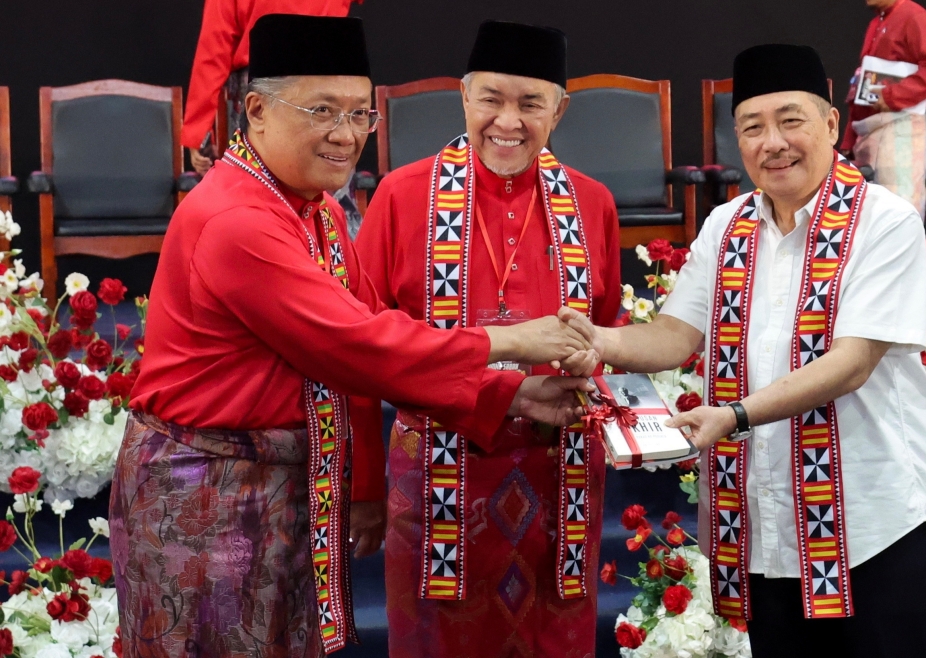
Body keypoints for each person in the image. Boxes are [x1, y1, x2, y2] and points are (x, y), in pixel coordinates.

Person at [109, 15, 598, 657]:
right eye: (322, 111)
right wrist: (513, 342)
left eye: (360, 114)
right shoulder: (235, 218)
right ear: (256, 111)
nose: (345, 135)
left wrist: (513, 397)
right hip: (210, 494)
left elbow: (378, 350)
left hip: (285, 483)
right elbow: (360, 345)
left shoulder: (315, 210)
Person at [566, 44, 926, 658]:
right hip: (769, 531)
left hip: (875, 526)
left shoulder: (885, 222)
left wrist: (735, 415)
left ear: (831, 124)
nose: (773, 143)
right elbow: (674, 336)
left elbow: (851, 363)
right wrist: (597, 341)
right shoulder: (726, 226)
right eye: (752, 127)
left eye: (790, 120)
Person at [354, 20, 621, 658]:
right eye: (491, 100)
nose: (508, 121)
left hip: (560, 483)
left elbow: (605, 336)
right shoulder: (401, 196)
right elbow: (360, 355)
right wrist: (362, 489)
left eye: (530, 103)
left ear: (559, 109)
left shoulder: (593, 204)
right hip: (437, 482)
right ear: (464, 98)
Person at [181, 0, 366, 235]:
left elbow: (214, 47)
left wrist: (198, 130)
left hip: (265, 84)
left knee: (254, 195)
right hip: (331, 76)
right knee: (333, 195)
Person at [840, 0, 926, 218]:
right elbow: (862, 83)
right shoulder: (877, 22)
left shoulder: (913, 16)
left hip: (899, 128)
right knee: (867, 216)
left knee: (897, 211)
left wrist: (892, 96)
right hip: (867, 131)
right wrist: (848, 141)